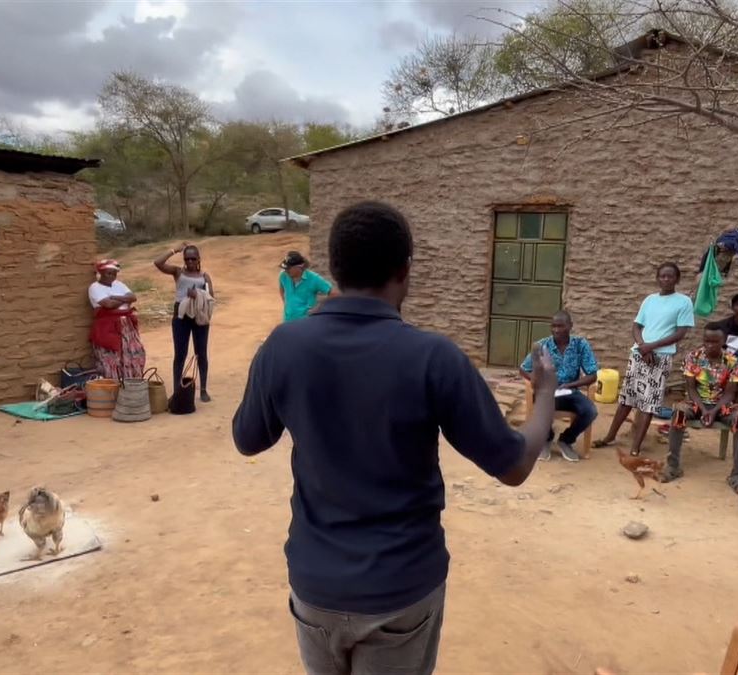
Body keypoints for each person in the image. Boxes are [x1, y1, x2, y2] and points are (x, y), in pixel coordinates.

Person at [233, 201, 557, 675]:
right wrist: (545, 394)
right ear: (405, 271)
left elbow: (248, 439)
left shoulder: (284, 345)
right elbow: (514, 466)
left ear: (335, 269)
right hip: (400, 591)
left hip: (316, 588)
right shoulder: (434, 358)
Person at [594, 263, 694, 458]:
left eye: (670, 276)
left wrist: (652, 346)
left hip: (660, 357)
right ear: (657, 278)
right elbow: (636, 326)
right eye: (662, 276)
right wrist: (642, 345)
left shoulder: (683, 302)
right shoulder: (649, 300)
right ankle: (610, 436)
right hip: (639, 354)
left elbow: (680, 333)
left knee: (649, 402)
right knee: (626, 398)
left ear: (677, 279)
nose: (665, 279)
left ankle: (636, 446)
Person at [666, 325, 738, 492]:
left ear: (723, 341)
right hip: (698, 403)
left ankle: (737, 476)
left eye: (715, 341)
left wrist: (714, 410)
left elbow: (730, 393)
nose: (710, 345)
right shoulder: (693, 357)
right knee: (679, 413)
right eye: (707, 341)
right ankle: (672, 467)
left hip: (722, 404)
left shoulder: (732, 360)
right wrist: (704, 409)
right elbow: (691, 388)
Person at [520, 310, 599, 462]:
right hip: (547, 392)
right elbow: (523, 368)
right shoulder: (543, 345)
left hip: (570, 391)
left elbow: (592, 375)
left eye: (560, 326)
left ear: (570, 326)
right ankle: (546, 438)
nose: (556, 330)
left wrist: (570, 384)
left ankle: (566, 440)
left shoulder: (580, 345)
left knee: (590, 411)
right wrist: (535, 380)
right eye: (553, 326)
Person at [155, 243, 215, 402]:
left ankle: (203, 389)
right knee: (180, 354)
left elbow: (211, 298)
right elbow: (158, 263)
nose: (189, 262)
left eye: (193, 259)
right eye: (187, 258)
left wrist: (198, 294)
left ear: (198, 259)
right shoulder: (178, 272)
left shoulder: (204, 277)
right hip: (181, 316)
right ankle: (177, 390)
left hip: (199, 316)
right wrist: (174, 250)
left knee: (201, 353)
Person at [88, 259, 147, 381]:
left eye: (114, 273)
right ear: (101, 273)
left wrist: (115, 297)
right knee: (112, 359)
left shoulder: (119, 284)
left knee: (135, 354)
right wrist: (125, 299)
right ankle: (115, 388)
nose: (112, 276)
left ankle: (131, 384)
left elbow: (133, 297)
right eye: (109, 273)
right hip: (108, 326)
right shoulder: (95, 287)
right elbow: (108, 305)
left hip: (126, 326)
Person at [279, 251, 334, 322]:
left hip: (306, 322)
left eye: (288, 268)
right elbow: (282, 289)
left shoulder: (314, 279)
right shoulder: (283, 275)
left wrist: (318, 309)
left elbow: (333, 293)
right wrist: (287, 304)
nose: (286, 270)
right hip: (287, 321)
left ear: (299, 267)